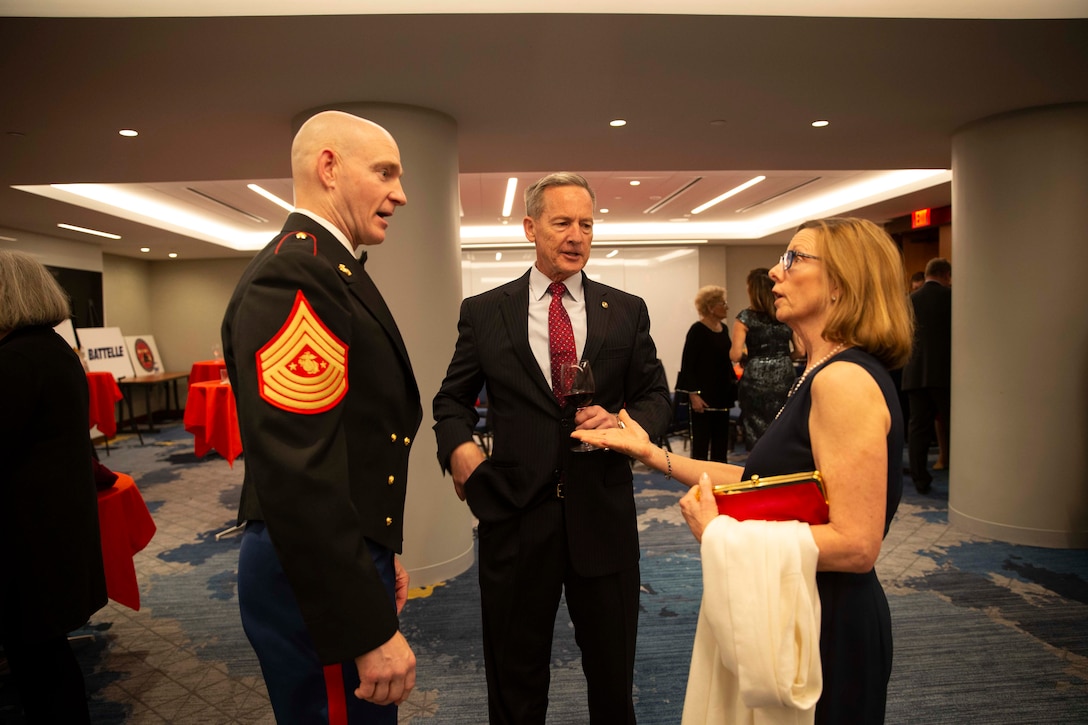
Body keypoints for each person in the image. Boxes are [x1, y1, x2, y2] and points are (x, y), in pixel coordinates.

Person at [573, 217, 912, 724]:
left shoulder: (843, 381)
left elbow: (857, 545)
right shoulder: (820, 372)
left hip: (826, 620)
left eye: (794, 258)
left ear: (841, 284)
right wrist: (650, 453)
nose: (775, 271)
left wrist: (722, 535)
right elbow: (758, 482)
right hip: (800, 606)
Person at [432, 172, 672, 723]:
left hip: (603, 519)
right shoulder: (485, 311)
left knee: (613, 682)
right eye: (562, 222)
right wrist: (460, 450)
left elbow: (656, 396)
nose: (576, 235)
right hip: (516, 518)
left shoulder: (625, 310)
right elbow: (451, 401)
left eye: (586, 224)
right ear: (530, 228)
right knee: (515, 683)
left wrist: (625, 422)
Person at [221, 110, 422, 723]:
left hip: (333, 550)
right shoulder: (298, 271)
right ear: (328, 168)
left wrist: (378, 549)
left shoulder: (328, 265)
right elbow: (298, 470)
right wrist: (363, 624)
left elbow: (350, 438)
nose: (401, 194)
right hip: (308, 568)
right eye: (385, 173)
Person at [0, 250, 107, 724]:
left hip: (27, 536)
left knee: (38, 661)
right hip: (52, 526)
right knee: (44, 655)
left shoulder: (16, 360)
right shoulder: (53, 349)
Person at [730, 267, 798, 445]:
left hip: (755, 378)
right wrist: (783, 356)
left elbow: (735, 355)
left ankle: (758, 458)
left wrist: (748, 356)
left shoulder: (745, 317)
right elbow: (801, 351)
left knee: (756, 428)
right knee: (782, 423)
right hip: (784, 375)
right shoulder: (785, 314)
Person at [901, 257, 952, 493]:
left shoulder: (909, 301)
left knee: (917, 429)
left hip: (914, 372)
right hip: (945, 373)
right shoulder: (952, 298)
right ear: (946, 275)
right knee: (952, 425)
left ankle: (919, 478)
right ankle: (959, 478)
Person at [676, 285, 737, 462]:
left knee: (721, 444)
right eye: (722, 304)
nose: (726, 307)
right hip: (703, 396)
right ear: (710, 307)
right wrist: (693, 395)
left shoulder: (724, 328)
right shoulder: (697, 330)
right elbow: (688, 365)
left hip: (722, 394)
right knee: (701, 446)